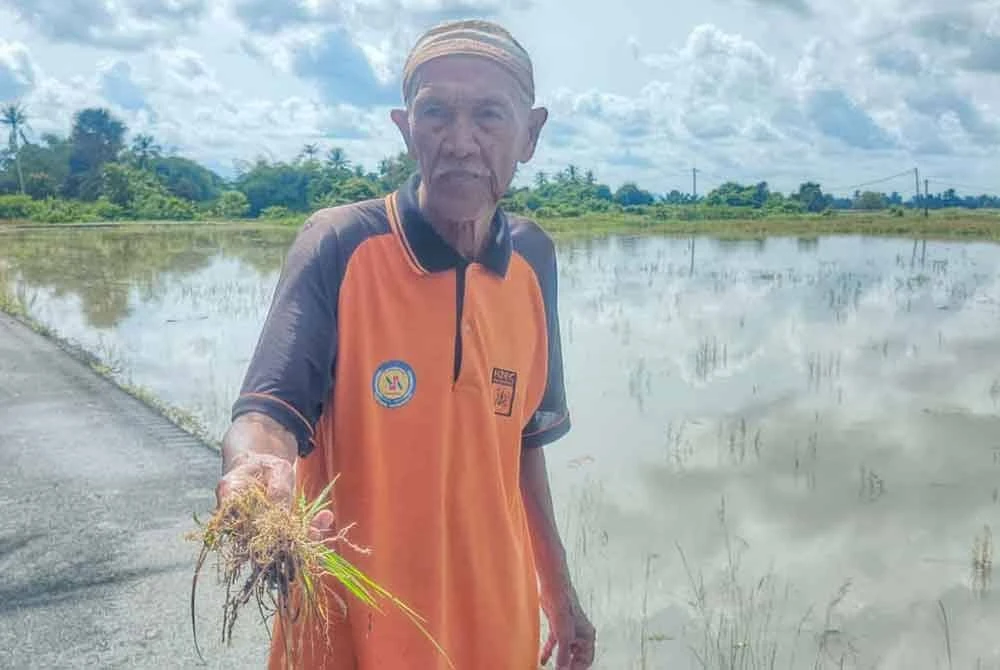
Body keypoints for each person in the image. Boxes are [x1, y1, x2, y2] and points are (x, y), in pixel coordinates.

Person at [215, 18, 596, 670]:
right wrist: (256, 474)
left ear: (530, 134)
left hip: (495, 625)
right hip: (355, 631)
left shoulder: (534, 258)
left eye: (488, 116)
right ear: (404, 128)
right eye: (437, 113)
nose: (461, 141)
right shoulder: (339, 243)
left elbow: (524, 443)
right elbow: (268, 414)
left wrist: (558, 592)